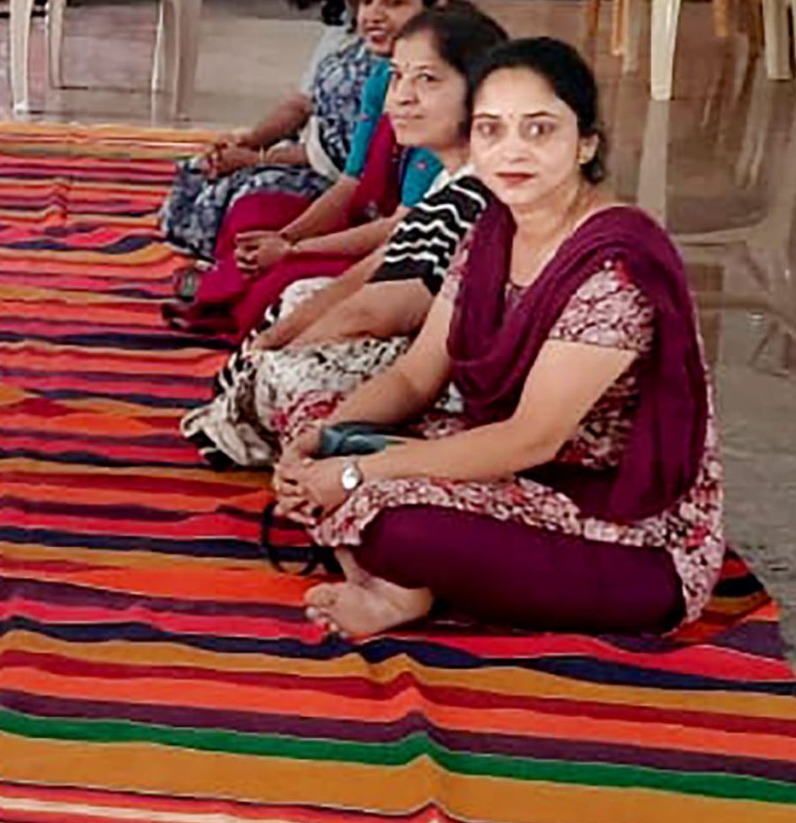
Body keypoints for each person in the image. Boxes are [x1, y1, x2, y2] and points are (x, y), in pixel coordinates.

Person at [273, 38, 721, 639]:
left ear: (586, 143)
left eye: (539, 130)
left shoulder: (616, 268)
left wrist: (355, 474)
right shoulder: (492, 233)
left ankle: (396, 584)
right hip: (511, 476)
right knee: (308, 408)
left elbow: (531, 438)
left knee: (399, 526)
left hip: (619, 531)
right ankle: (386, 566)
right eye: (491, 129)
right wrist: (323, 443)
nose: (512, 150)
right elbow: (414, 376)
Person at [184, 5, 508, 469]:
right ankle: (251, 411)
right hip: (405, 337)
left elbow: (380, 313)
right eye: (397, 77)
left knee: (287, 374)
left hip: (442, 370)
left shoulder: (473, 193)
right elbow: (375, 266)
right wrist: (272, 340)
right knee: (299, 298)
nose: (403, 97)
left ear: (482, 91)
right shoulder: (451, 177)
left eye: (427, 80)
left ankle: (304, 444)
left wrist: (284, 353)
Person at [172, 0, 456, 336]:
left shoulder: (445, 89)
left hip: (410, 248)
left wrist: (292, 248)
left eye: (394, 2)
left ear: (437, 6)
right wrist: (283, 238)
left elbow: (405, 227)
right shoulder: (382, 76)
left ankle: (234, 295)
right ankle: (232, 284)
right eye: (366, 1)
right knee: (254, 217)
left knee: (285, 291)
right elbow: (350, 183)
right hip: (365, 220)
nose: (373, 15)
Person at [160, 0, 403, 266]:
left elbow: (347, 154)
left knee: (251, 195)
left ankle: (242, 267)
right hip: (313, 158)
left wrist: (257, 158)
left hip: (349, 181)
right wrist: (248, 140)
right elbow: (300, 104)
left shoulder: (395, 42)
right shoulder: (342, 25)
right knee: (202, 170)